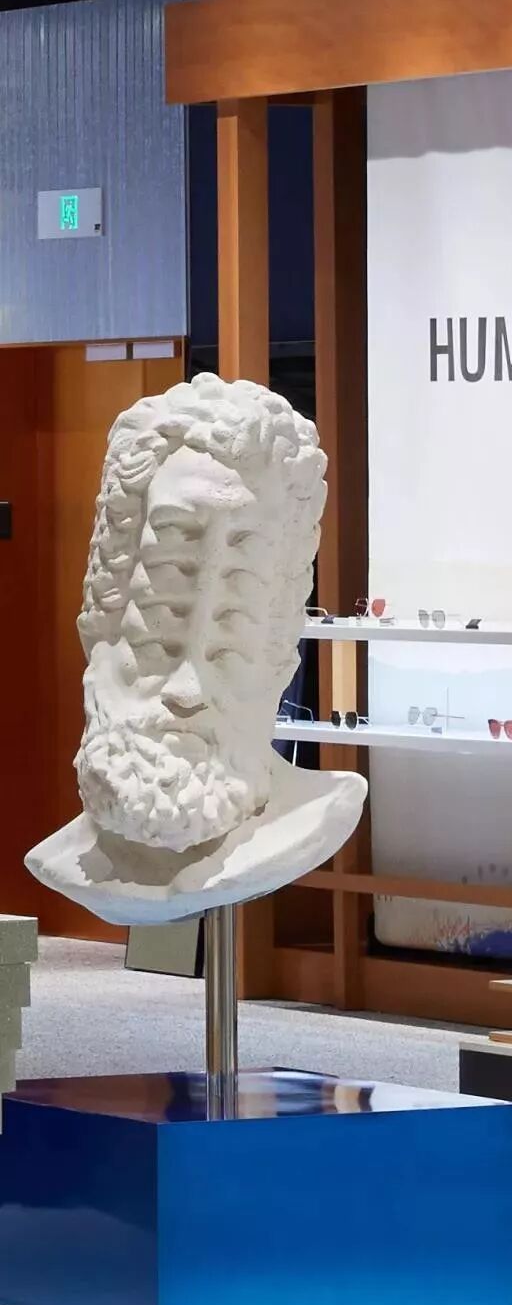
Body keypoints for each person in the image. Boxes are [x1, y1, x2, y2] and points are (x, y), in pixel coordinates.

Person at [26, 373, 367, 923]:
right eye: (163, 620)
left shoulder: (320, 813)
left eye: (232, 631)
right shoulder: (61, 859)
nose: (187, 692)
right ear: (103, 610)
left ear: (280, 647)